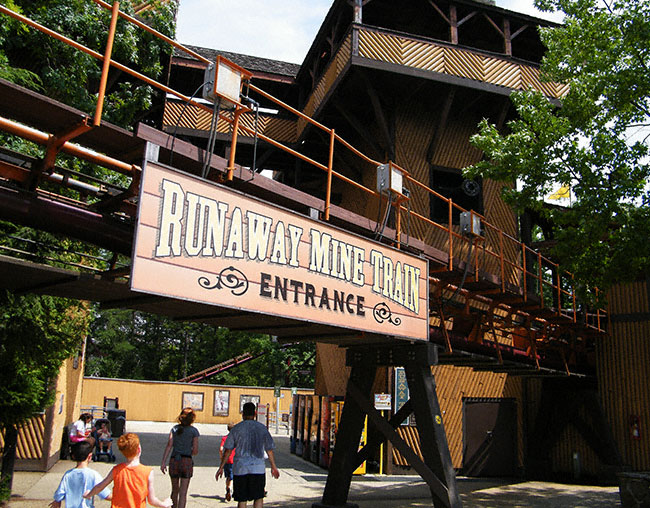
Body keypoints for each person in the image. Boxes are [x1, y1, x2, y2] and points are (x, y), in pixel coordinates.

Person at [216, 403, 279, 508]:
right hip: (258, 468)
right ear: (255, 413)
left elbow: (228, 450)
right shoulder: (262, 428)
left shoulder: (236, 429)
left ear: (243, 413)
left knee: (242, 499)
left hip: (240, 468)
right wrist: (273, 466)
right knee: (258, 498)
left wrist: (221, 467)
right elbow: (269, 449)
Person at [84, 432, 172, 508]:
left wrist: (89, 494)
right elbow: (152, 500)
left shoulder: (117, 470)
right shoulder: (147, 472)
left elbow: (100, 486)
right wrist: (164, 504)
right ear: (139, 450)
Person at [49, 440, 111, 508]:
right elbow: (106, 495)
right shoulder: (93, 474)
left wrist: (57, 502)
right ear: (89, 457)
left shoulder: (68, 475)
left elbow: (59, 494)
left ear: (73, 456)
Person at [160, 408, 200, 508]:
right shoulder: (194, 431)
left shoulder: (174, 429)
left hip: (174, 460)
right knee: (183, 493)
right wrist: (188, 450)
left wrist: (163, 461)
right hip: (186, 460)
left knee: (174, 490)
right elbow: (195, 451)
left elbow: (169, 444)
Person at [219, 424, 235, 501]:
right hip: (234, 460)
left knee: (228, 476)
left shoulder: (225, 438)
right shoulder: (236, 439)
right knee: (233, 476)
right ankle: (230, 489)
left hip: (226, 460)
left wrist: (221, 457)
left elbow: (221, 449)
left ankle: (227, 488)